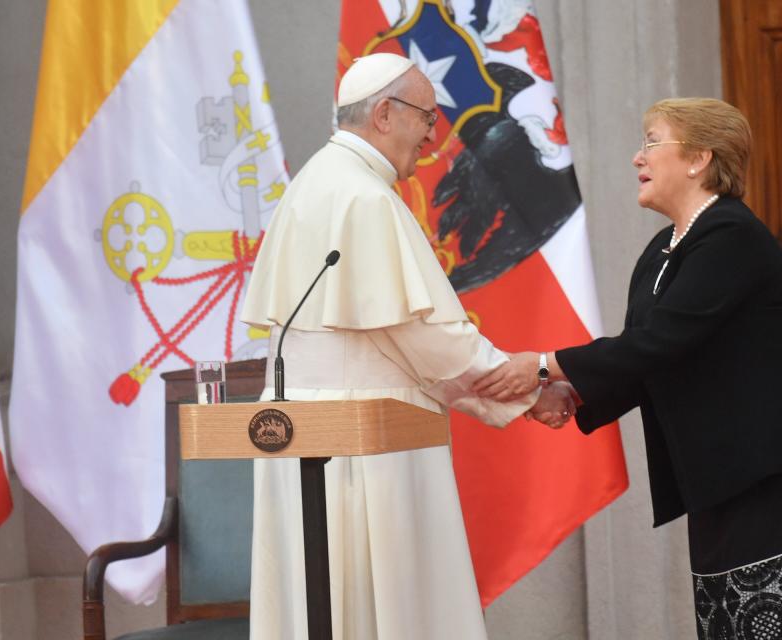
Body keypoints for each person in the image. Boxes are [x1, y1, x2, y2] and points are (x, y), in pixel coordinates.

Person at [475, 98, 782, 639]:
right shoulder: (664, 249)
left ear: (699, 157)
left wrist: (542, 365)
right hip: (725, 479)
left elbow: (661, 341)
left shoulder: (731, 236)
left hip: (779, 480)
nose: (637, 157)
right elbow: (647, 352)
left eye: (653, 141)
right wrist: (569, 394)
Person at [241, 53, 575, 640]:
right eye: (425, 116)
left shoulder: (315, 182)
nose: (433, 134)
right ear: (385, 114)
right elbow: (426, 338)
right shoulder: (365, 198)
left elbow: (392, 332)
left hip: (304, 439)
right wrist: (528, 390)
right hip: (360, 453)